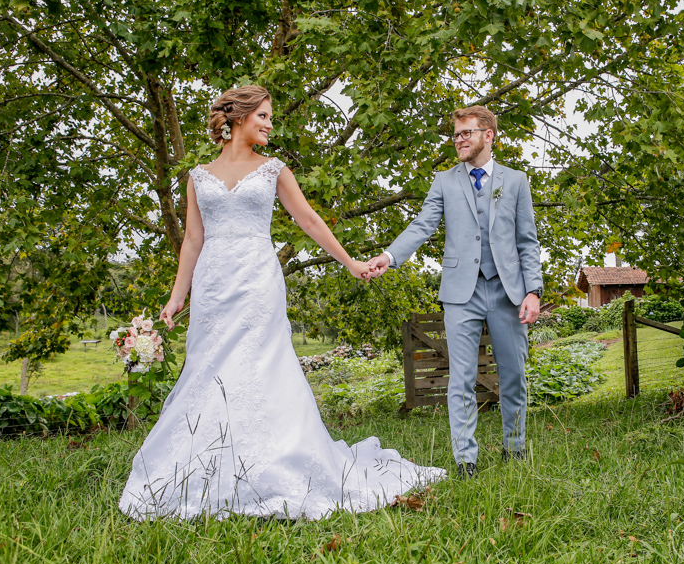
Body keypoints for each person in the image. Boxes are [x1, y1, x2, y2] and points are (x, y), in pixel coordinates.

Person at [118, 85, 445, 520]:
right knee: (210, 368)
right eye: (264, 116)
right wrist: (178, 297)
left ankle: (274, 465)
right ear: (238, 117)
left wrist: (349, 262)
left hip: (257, 280)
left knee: (259, 365)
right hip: (214, 283)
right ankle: (209, 465)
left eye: (271, 117)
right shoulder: (198, 175)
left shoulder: (274, 170)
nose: (270, 124)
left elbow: (308, 219)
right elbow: (194, 239)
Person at [367, 105, 543, 479]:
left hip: (508, 292)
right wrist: (389, 255)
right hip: (461, 293)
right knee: (460, 379)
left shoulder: (515, 181)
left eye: (467, 133)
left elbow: (527, 242)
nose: (459, 140)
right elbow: (422, 225)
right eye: (457, 134)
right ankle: (466, 460)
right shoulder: (444, 181)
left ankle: (515, 449)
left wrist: (533, 291)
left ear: (488, 135)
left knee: (513, 376)